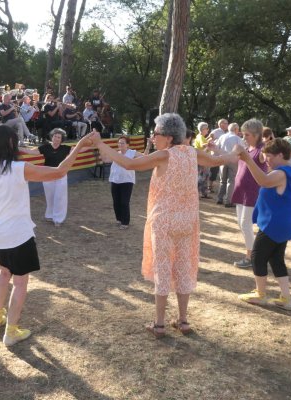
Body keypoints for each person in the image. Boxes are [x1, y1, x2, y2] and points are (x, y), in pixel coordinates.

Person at [90, 113, 237, 338]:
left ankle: (159, 324)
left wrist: (100, 143)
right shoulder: (191, 152)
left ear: (168, 137)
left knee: (163, 269)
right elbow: (217, 160)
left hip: (165, 221)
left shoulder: (164, 155)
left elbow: (129, 163)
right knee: (183, 267)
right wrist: (236, 153)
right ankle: (183, 320)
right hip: (188, 220)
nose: (153, 137)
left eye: (156, 133)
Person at [0, 125, 91, 345]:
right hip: (17, 234)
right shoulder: (18, 168)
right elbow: (59, 171)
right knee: (20, 282)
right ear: (10, 143)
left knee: (3, 272)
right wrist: (80, 146)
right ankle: (12, 330)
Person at [235, 138, 291, 310]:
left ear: (281, 155)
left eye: (270, 157)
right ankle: (286, 298)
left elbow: (263, 181)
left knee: (257, 256)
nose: (267, 160)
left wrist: (247, 159)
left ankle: (260, 294)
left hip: (274, 224)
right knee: (276, 259)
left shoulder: (282, 173)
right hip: (285, 223)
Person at [231, 119, 267, 268]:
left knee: (245, 224)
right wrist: (215, 149)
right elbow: (228, 159)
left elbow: (268, 163)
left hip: (252, 192)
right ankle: (253, 254)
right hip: (241, 191)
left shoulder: (262, 150)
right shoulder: (248, 148)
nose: (244, 137)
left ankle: (251, 256)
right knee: (241, 223)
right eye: (243, 134)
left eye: (247, 135)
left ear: (257, 135)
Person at [19, 128, 73, 226]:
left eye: (59, 137)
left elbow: (79, 149)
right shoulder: (45, 147)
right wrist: (18, 148)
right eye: (55, 137)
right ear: (52, 137)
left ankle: (58, 219)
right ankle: (49, 215)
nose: (57, 139)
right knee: (50, 196)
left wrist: (93, 144)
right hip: (47, 174)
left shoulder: (66, 148)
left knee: (60, 196)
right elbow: (31, 152)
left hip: (61, 174)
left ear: (62, 139)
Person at [106, 135, 144, 229]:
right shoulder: (116, 153)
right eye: (119, 143)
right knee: (116, 201)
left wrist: (149, 145)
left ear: (127, 144)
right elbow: (105, 160)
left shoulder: (132, 152)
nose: (120, 144)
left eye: (123, 143)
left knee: (124, 202)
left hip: (127, 181)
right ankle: (119, 219)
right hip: (115, 180)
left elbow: (145, 157)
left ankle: (125, 222)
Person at [215, 122, 242, 206]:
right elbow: (242, 149)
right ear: (236, 129)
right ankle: (228, 201)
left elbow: (217, 147)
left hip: (222, 159)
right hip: (233, 161)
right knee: (231, 180)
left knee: (222, 180)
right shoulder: (237, 138)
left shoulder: (222, 137)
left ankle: (219, 198)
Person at [207, 119, 229, 193]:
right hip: (215, 154)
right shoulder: (215, 131)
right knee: (213, 171)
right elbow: (208, 140)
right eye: (226, 123)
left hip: (221, 155)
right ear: (221, 124)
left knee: (218, 172)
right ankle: (209, 186)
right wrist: (214, 144)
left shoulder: (225, 132)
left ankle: (213, 187)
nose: (227, 125)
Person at [193, 122, 212, 199]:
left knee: (204, 176)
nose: (208, 130)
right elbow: (203, 145)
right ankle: (197, 193)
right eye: (207, 128)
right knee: (202, 177)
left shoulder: (200, 136)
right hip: (203, 160)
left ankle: (203, 193)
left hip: (202, 159)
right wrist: (210, 142)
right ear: (203, 129)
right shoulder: (201, 137)